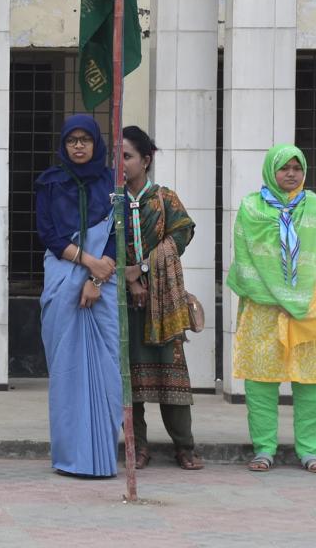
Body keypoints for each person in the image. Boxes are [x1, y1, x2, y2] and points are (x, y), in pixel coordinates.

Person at [35, 114, 122, 478]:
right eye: (73, 140)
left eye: (86, 139)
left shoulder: (112, 183)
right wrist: (87, 263)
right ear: (64, 144)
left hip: (104, 281)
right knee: (67, 370)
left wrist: (97, 280)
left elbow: (118, 236)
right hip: (63, 277)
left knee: (106, 367)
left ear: (96, 143)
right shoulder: (50, 182)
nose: (79, 146)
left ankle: (103, 456)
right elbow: (49, 236)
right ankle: (71, 456)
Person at [227, 143, 316, 474]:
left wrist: (301, 297)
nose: (291, 174)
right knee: (260, 381)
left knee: (310, 382)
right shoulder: (251, 208)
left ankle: (311, 450)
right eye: (285, 168)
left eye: (297, 168)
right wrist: (273, 293)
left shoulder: (315, 207)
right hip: (262, 307)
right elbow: (245, 258)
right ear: (271, 171)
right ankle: (264, 449)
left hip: (307, 308)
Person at [121, 126, 203, 470]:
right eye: (116, 157)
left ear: (146, 160)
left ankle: (185, 447)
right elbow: (105, 244)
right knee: (131, 380)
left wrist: (143, 268)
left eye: (126, 156)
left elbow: (183, 231)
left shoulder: (165, 199)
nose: (120, 163)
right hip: (126, 303)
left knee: (172, 375)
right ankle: (137, 448)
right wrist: (129, 279)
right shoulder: (111, 200)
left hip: (163, 301)